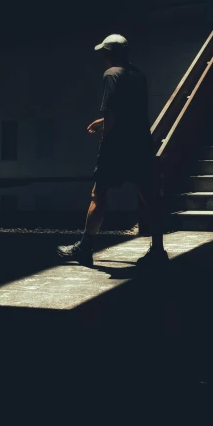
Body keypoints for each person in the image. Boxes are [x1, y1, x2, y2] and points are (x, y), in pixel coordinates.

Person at [57, 34, 168, 268]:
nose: (103, 56)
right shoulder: (139, 75)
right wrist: (102, 122)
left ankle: (85, 247)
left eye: (104, 52)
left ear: (110, 53)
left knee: (99, 195)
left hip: (117, 146)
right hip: (140, 143)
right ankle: (158, 250)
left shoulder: (110, 74)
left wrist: (104, 138)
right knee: (149, 197)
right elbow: (132, 112)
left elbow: (113, 114)